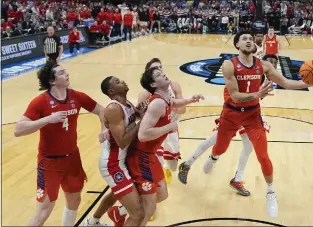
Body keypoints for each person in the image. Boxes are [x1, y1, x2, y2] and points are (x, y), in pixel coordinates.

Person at [202, 31, 313, 218]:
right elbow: (236, 96)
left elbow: (285, 82)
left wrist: (307, 83)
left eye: (250, 39)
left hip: (253, 116)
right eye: (244, 39)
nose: (248, 40)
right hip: (231, 113)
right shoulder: (229, 65)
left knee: (263, 155)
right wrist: (257, 95)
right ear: (237, 44)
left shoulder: (264, 65)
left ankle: (271, 192)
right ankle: (214, 157)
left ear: (255, 45)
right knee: (221, 148)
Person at [14, 60, 109, 226]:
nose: (67, 74)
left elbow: (101, 110)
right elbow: (18, 129)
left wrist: (103, 129)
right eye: (62, 73)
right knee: (44, 211)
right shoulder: (40, 101)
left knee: (74, 200)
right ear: (52, 81)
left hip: (72, 158)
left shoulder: (76, 96)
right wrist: (48, 119)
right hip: (49, 162)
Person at [177, 54, 278, 196]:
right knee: (214, 140)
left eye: (275, 63)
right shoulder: (243, 72)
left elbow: (257, 98)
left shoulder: (263, 79)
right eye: (270, 62)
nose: (272, 65)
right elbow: (233, 95)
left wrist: (262, 94)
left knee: (248, 147)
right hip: (233, 112)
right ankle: (187, 164)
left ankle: (237, 179)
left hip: (249, 116)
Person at [126, 67, 204, 226]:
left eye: (162, 71)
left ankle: (121, 211)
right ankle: (130, 214)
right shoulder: (157, 104)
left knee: (162, 194)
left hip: (150, 155)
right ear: (154, 84)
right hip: (141, 156)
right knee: (148, 209)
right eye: (158, 74)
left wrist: (190, 99)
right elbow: (143, 134)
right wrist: (169, 127)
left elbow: (174, 102)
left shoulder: (165, 97)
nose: (164, 73)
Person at [83, 76, 149, 226]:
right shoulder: (113, 108)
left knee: (116, 192)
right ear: (112, 91)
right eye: (118, 82)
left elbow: (137, 116)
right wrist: (143, 120)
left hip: (122, 159)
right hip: (113, 165)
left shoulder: (126, 103)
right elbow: (122, 141)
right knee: (138, 213)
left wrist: (142, 109)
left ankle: (92, 222)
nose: (123, 81)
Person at [138, 58, 185, 185]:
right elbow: (142, 118)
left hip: (171, 129)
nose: (159, 70)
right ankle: (157, 179)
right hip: (157, 131)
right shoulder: (145, 93)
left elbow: (183, 110)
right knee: (156, 158)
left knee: (173, 165)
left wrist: (169, 111)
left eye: (160, 68)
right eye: (155, 69)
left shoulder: (174, 86)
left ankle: (166, 168)